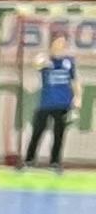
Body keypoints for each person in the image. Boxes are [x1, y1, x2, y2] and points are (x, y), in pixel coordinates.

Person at [22, 38, 76, 168]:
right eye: (58, 42)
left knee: (59, 134)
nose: (60, 45)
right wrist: (43, 59)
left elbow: (74, 81)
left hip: (63, 103)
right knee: (37, 131)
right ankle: (29, 159)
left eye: (63, 43)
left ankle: (55, 161)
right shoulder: (46, 59)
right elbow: (36, 65)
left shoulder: (68, 62)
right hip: (45, 103)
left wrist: (77, 98)